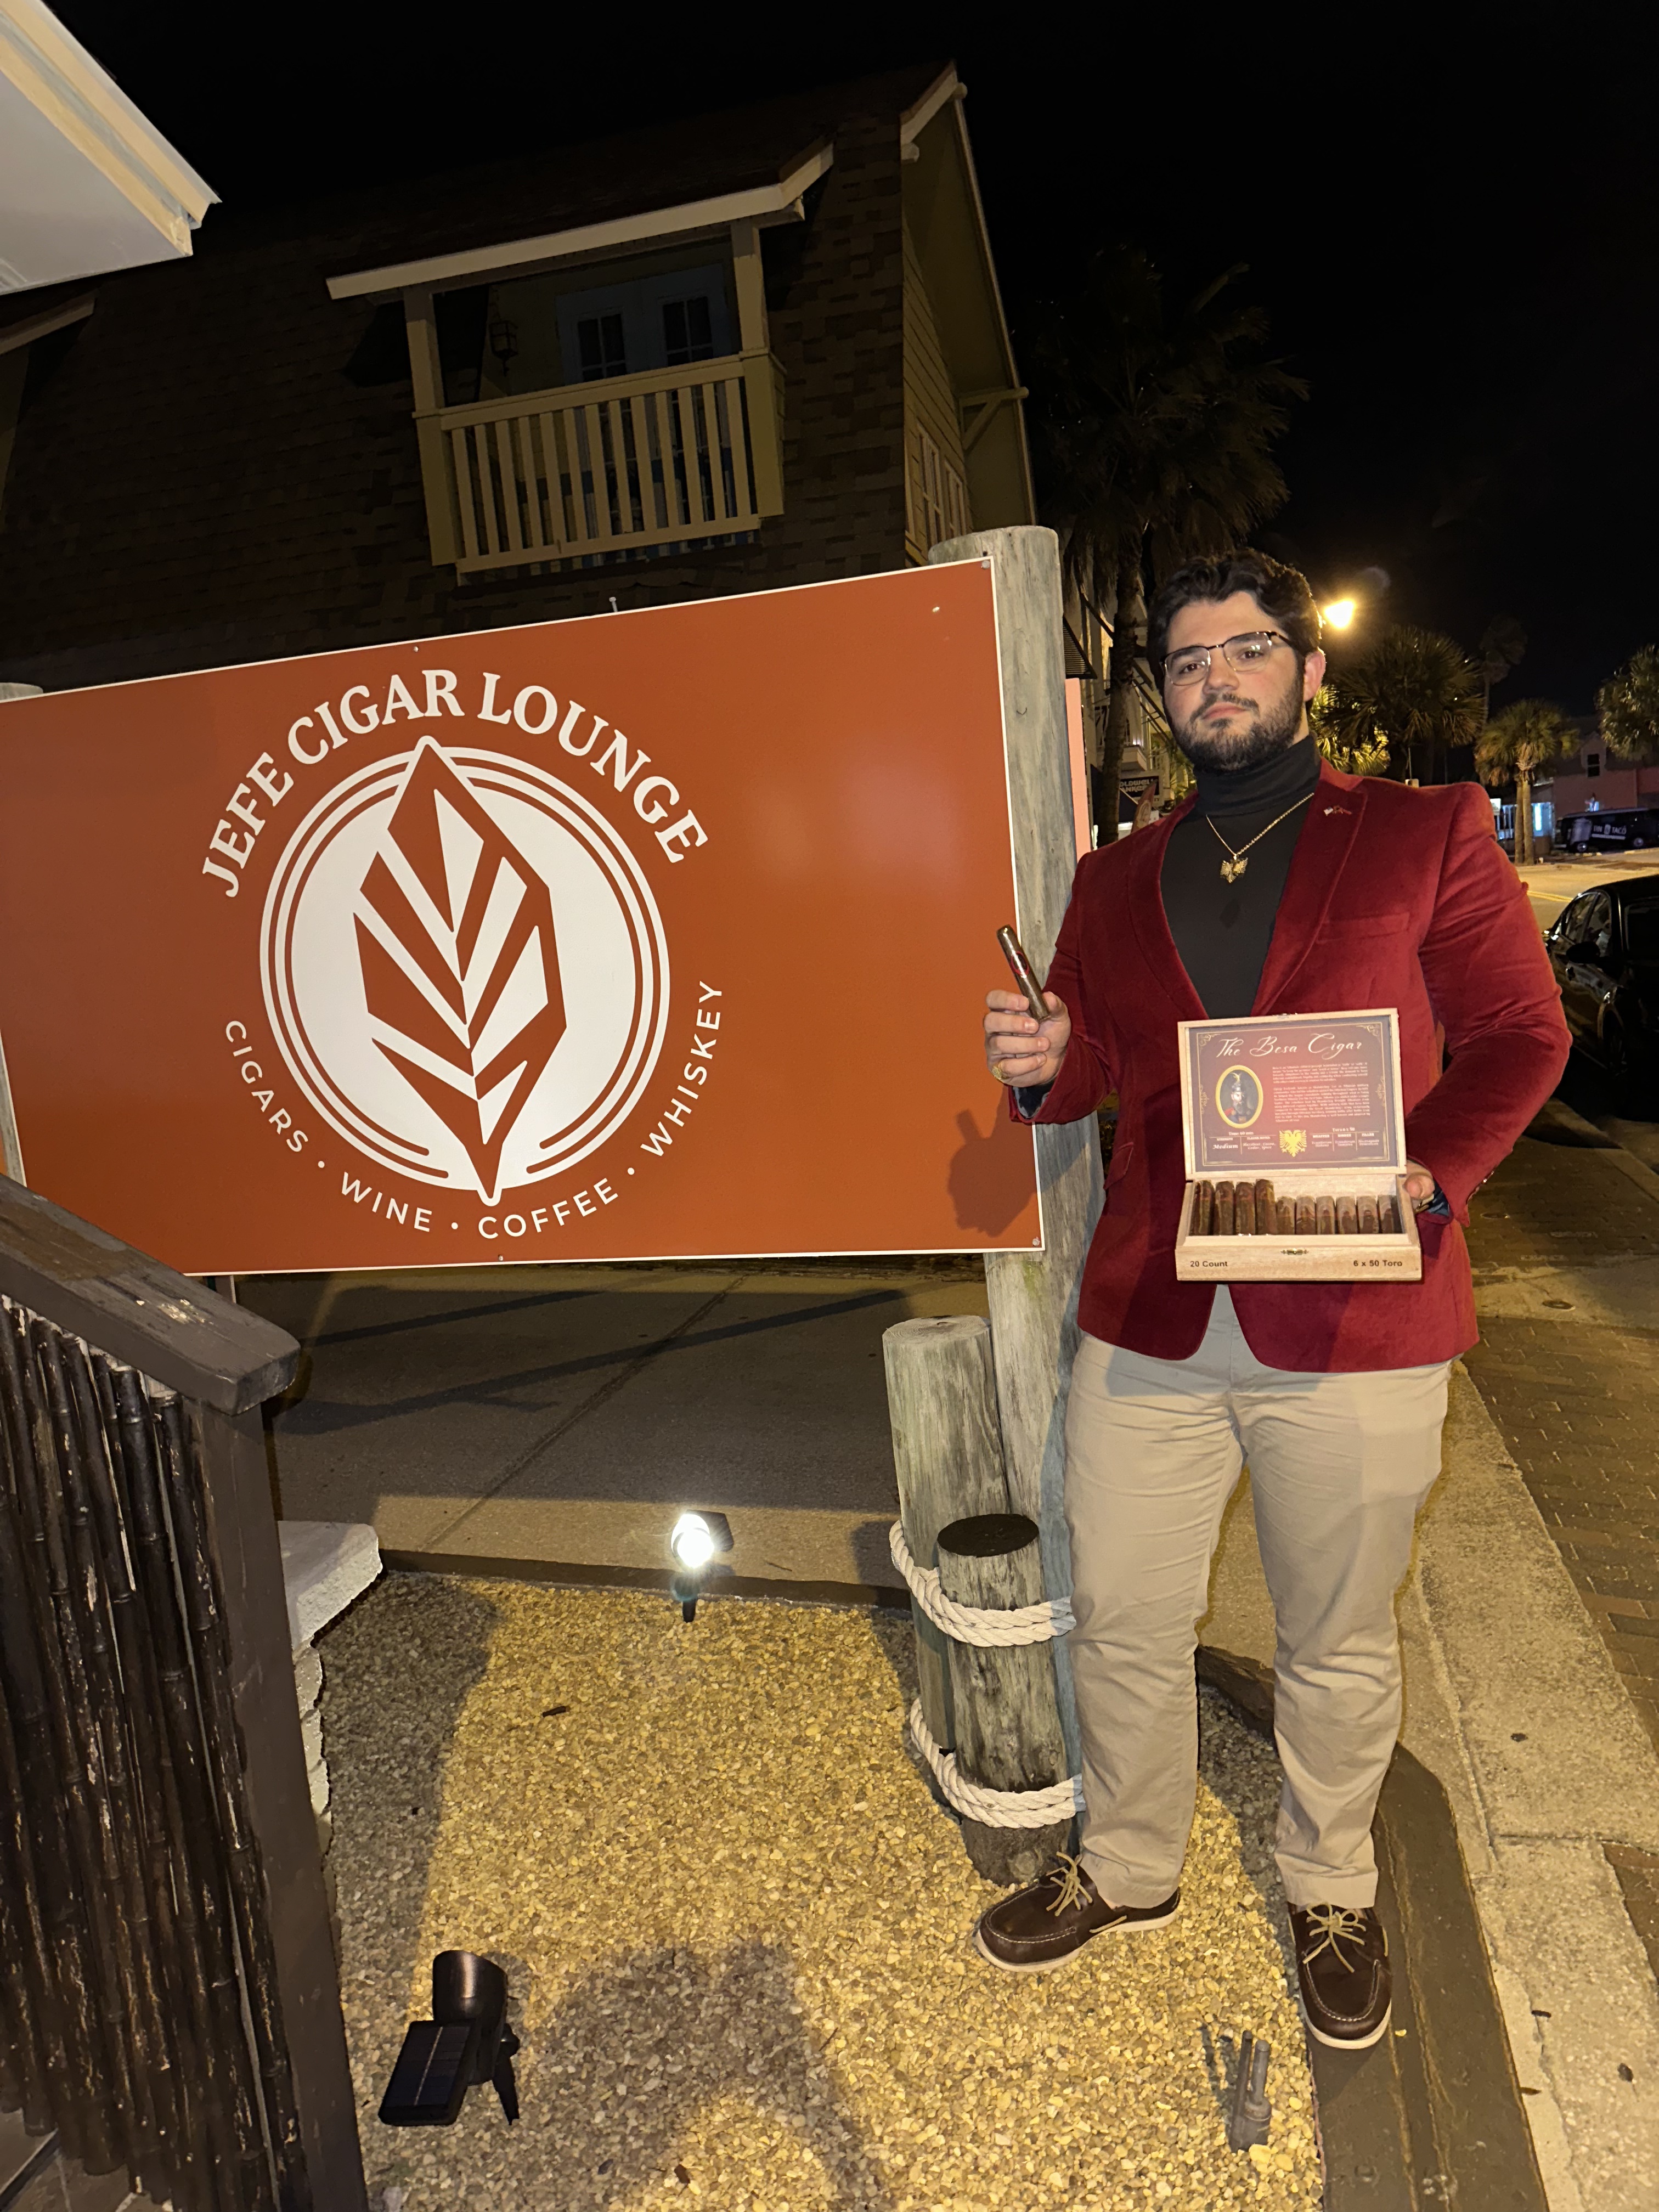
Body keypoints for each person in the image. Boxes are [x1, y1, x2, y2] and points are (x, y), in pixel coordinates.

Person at [975, 549, 1568, 2049]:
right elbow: (1105, 1064)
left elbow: (1518, 1033)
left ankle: (1328, 1882)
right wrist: (1053, 1068)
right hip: (1154, 1311)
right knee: (1118, 1608)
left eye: (1245, 652)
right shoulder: (1113, 879)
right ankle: (1127, 1863)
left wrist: (1426, 1182)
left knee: (1337, 1631)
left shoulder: (1427, 833)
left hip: (1358, 1314)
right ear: (1165, 694)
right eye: (1185, 662)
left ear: (1308, 673)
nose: (1214, 679)